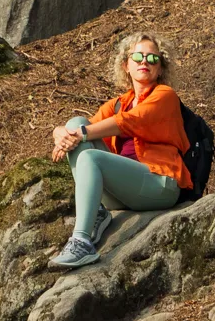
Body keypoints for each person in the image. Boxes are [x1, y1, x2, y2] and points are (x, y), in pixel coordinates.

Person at [47, 33, 191, 269]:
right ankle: (99, 215)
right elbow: (82, 129)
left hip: (158, 185)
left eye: (153, 58)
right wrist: (59, 133)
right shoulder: (118, 103)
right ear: (126, 64)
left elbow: (130, 121)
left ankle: (82, 242)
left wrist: (79, 134)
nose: (145, 62)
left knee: (87, 149)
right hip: (125, 191)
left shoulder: (165, 96)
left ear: (161, 68)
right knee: (75, 122)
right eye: (137, 56)